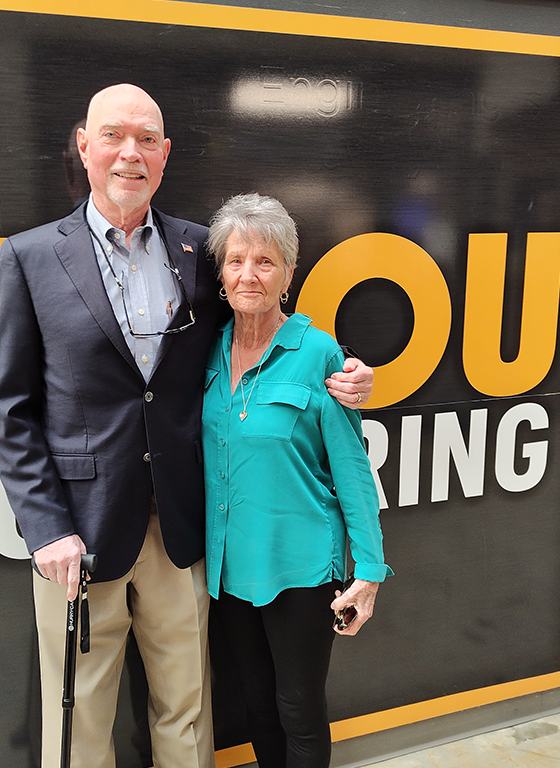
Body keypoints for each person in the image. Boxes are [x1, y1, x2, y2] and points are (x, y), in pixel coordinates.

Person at [0, 84, 374, 768]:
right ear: (84, 146)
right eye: (113, 136)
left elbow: (267, 335)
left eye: (146, 140)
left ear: (165, 155)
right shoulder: (31, 258)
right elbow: (12, 409)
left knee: (187, 707)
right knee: (77, 717)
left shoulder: (204, 254)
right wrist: (45, 527)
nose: (128, 154)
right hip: (81, 533)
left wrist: (348, 375)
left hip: (183, 530)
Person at [202, 193, 393, 768]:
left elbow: (352, 467)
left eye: (265, 261)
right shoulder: (207, 351)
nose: (249, 274)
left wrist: (371, 571)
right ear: (221, 273)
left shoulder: (318, 352)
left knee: (298, 708)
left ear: (289, 272)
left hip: (302, 567)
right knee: (256, 706)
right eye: (236, 261)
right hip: (230, 570)